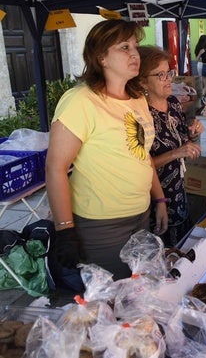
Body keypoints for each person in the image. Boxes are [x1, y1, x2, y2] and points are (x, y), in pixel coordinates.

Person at [45, 20, 168, 280]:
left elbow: (141, 154)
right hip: (103, 225)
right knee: (114, 297)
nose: (135, 54)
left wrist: (159, 199)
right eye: (124, 47)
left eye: (135, 46)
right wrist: (65, 230)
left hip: (140, 214)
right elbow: (55, 168)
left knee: (140, 291)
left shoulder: (137, 98)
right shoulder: (81, 101)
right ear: (101, 57)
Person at [138, 46, 204, 247]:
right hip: (156, 199)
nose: (169, 79)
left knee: (184, 248)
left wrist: (192, 132)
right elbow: (140, 166)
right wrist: (177, 152)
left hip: (179, 192)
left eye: (169, 73)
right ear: (142, 82)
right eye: (160, 75)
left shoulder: (173, 103)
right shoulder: (141, 115)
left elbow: (181, 137)